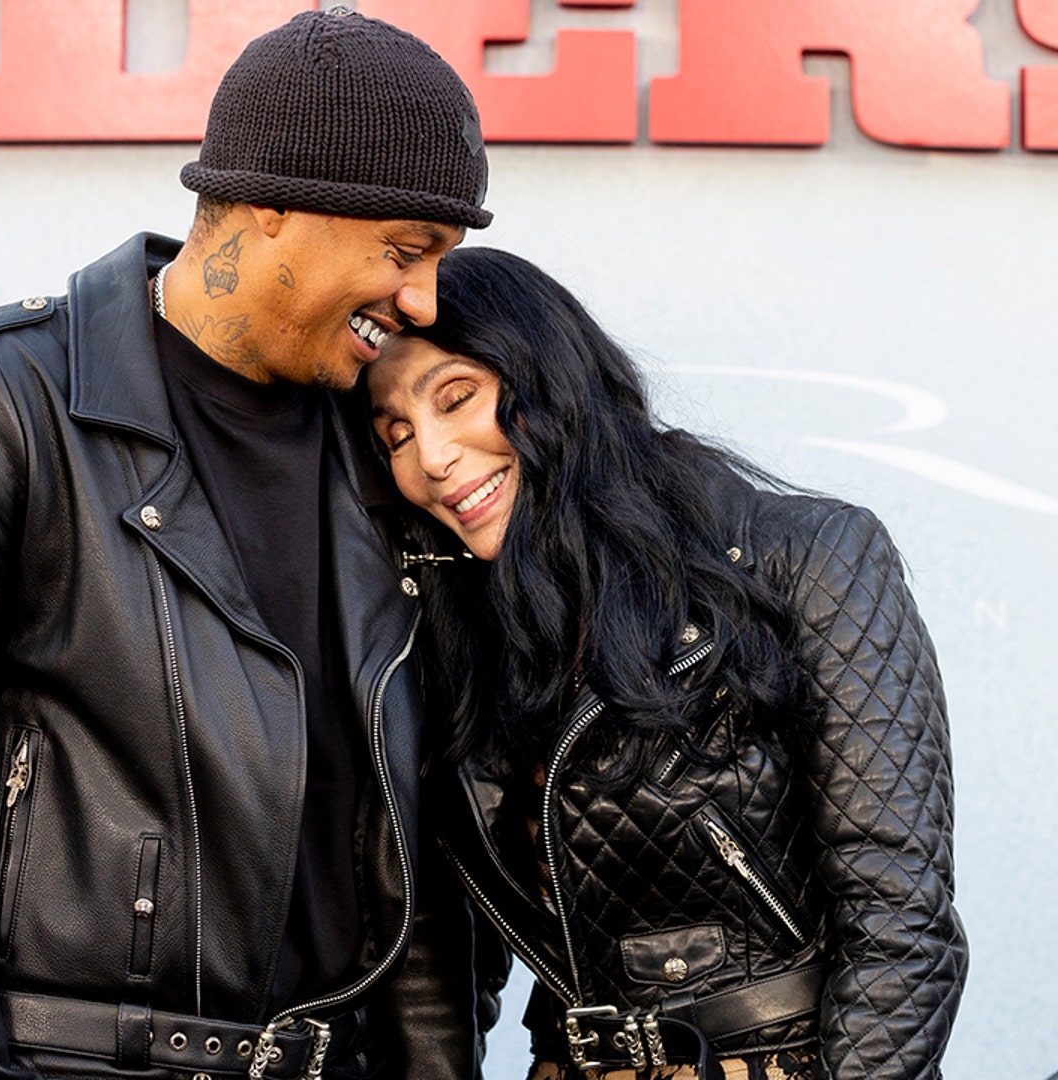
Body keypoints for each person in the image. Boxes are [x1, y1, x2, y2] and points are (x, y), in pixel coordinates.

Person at [0, 11, 494, 1080]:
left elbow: (413, 835)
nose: (421, 301)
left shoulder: (381, 445)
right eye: (406, 253)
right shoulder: (7, 396)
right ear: (274, 207)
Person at [363, 249, 969, 1080]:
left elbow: (901, 921)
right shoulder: (448, 635)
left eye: (457, 398)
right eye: (395, 435)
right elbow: (441, 950)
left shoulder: (805, 557)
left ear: (552, 379)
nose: (431, 458)